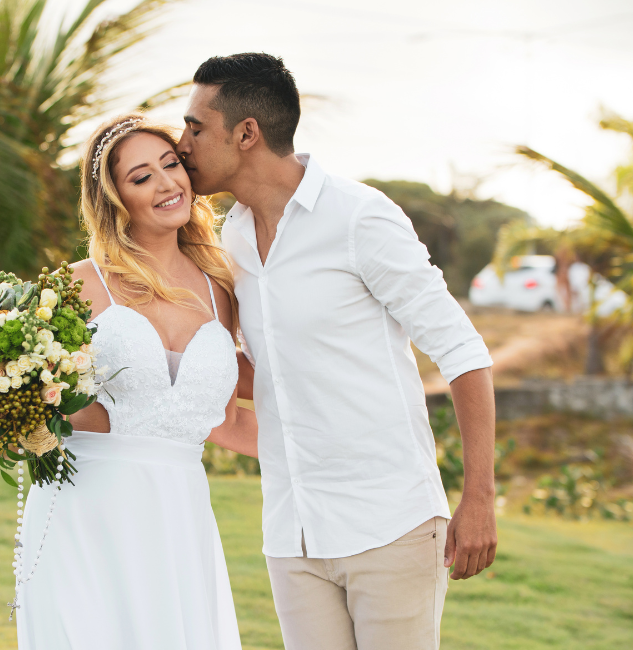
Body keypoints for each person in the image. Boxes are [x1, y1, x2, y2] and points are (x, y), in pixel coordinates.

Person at [177, 52, 498, 650]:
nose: (182, 143)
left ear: (246, 133)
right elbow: (272, 372)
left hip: (390, 523)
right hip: (292, 533)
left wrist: (478, 496)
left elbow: (462, 351)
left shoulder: (361, 218)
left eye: (195, 127)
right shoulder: (237, 235)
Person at [15, 114, 257, 650]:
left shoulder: (222, 289)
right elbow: (33, 405)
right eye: (141, 177)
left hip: (178, 508)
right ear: (114, 197)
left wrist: (335, 449)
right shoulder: (79, 285)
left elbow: (224, 421)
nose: (167, 184)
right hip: (88, 504)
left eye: (171, 165)